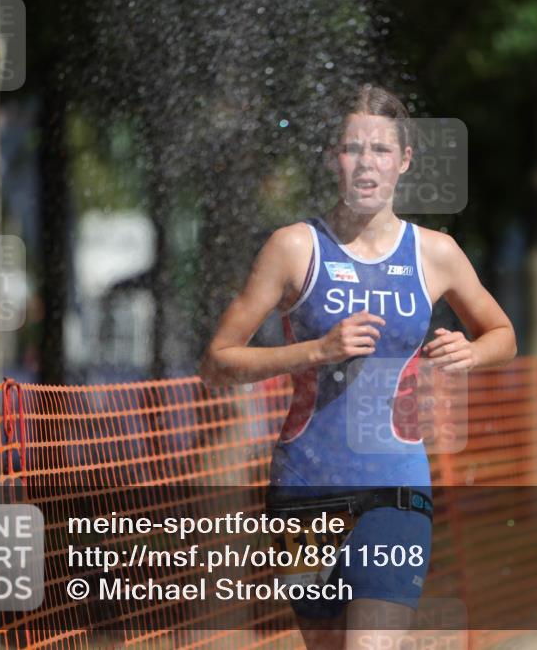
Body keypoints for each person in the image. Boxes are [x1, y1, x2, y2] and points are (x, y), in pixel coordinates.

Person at [201, 84, 516, 650]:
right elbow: (219, 362)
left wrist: (471, 352)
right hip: (305, 486)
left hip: (394, 485)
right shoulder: (294, 247)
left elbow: (503, 335)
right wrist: (315, 351)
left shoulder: (434, 252)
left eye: (380, 150)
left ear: (405, 162)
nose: (366, 163)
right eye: (352, 149)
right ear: (332, 159)